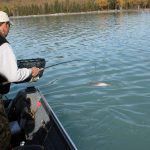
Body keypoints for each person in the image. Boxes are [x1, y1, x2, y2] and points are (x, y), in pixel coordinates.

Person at [0, 11, 40, 149]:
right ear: (4, 25)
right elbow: (12, 76)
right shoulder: (3, 45)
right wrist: (31, 71)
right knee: (3, 138)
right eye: (8, 26)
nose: (8, 29)